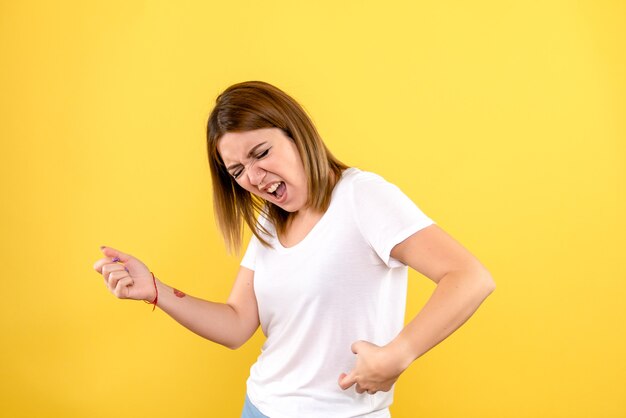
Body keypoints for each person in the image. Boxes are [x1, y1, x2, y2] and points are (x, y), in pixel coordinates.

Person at [93, 81, 496, 418]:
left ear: (296, 131)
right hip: (260, 406)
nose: (252, 177)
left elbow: (470, 277)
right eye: (237, 171)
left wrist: (399, 353)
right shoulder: (271, 219)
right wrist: (157, 291)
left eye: (261, 153)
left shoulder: (362, 196)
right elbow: (236, 324)